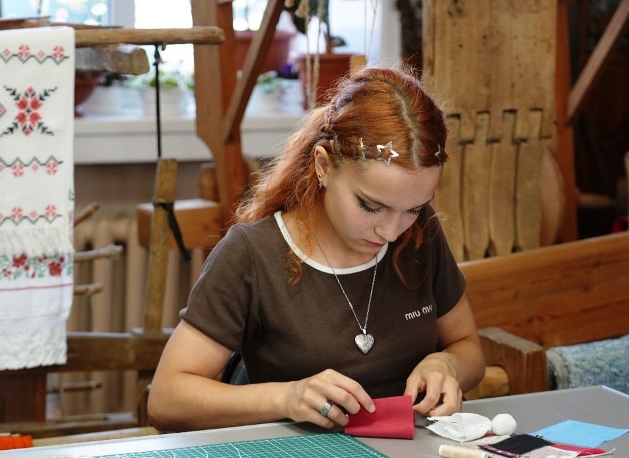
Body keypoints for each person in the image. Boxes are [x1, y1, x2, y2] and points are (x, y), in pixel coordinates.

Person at [147, 66, 486, 432]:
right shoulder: (252, 254)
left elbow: (467, 347)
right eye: (370, 206)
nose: (391, 232)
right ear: (324, 166)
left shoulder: (420, 234)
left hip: (412, 451)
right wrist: (287, 397)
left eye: (413, 208)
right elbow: (167, 399)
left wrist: (446, 365)